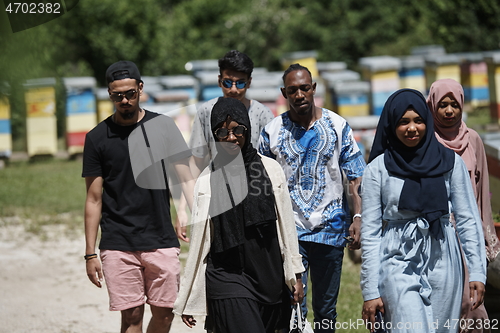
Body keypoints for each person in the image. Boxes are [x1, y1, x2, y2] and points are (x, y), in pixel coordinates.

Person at [173, 97, 305, 333]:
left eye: (237, 130)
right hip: (226, 275)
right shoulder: (207, 180)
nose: (231, 138)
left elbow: (286, 226)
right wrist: (188, 296)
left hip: (268, 275)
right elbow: (200, 244)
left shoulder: (270, 170)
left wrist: (295, 272)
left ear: (247, 129)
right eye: (222, 132)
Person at [360, 88, 487, 333]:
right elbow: (370, 233)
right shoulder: (377, 169)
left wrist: (477, 273)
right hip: (397, 256)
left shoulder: (451, 163)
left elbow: (467, 219)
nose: (412, 128)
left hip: (444, 258)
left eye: (418, 120)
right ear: (390, 124)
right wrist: (370, 291)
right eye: (403, 122)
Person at [82, 60, 195, 333]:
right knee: (131, 318)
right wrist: (89, 253)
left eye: (130, 93)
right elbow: (93, 199)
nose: (124, 100)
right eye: (117, 94)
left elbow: (186, 178)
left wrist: (193, 214)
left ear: (140, 88)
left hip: (160, 238)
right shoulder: (97, 138)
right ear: (109, 94)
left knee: (165, 314)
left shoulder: (164, 127)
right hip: (118, 242)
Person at [259, 64, 366, 332]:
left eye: (304, 88)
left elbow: (356, 176)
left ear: (313, 89)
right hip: (290, 233)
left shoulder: (338, 126)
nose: (299, 95)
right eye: (292, 90)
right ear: (284, 93)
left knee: (326, 310)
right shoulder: (272, 132)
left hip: (330, 231)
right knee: (294, 309)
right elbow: (260, 184)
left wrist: (358, 216)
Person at [175, 50, 275, 239]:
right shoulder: (206, 112)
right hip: (218, 199)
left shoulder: (262, 114)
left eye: (241, 83)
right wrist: (183, 210)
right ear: (219, 80)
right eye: (228, 82)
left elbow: (271, 165)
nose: (234, 89)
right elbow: (196, 162)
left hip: (256, 198)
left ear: (250, 82)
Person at [427, 78, 500, 332]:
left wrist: (486, 236)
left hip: (468, 233)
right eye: (443, 105)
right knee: (447, 299)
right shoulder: (426, 141)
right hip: (438, 234)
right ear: (432, 106)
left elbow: (481, 193)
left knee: (473, 301)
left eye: (454, 105)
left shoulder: (474, 140)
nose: (449, 111)